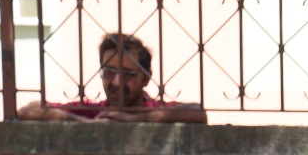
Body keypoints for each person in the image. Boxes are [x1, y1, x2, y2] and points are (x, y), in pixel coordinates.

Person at [17, 33, 206, 123]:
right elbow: (28, 110)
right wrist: (83, 124)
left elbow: (199, 113)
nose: (116, 82)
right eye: (109, 72)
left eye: (128, 74)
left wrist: (139, 119)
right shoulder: (96, 112)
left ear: (146, 78)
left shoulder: (156, 110)